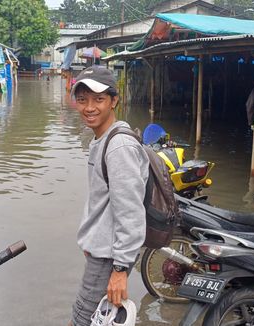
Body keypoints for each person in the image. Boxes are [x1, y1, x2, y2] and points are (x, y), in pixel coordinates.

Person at [69, 66, 149, 326]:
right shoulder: (101, 140)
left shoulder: (118, 147)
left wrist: (119, 269)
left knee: (82, 319)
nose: (89, 107)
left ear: (114, 100)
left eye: (99, 99)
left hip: (109, 257)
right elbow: (102, 202)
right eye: (82, 100)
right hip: (101, 252)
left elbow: (131, 213)